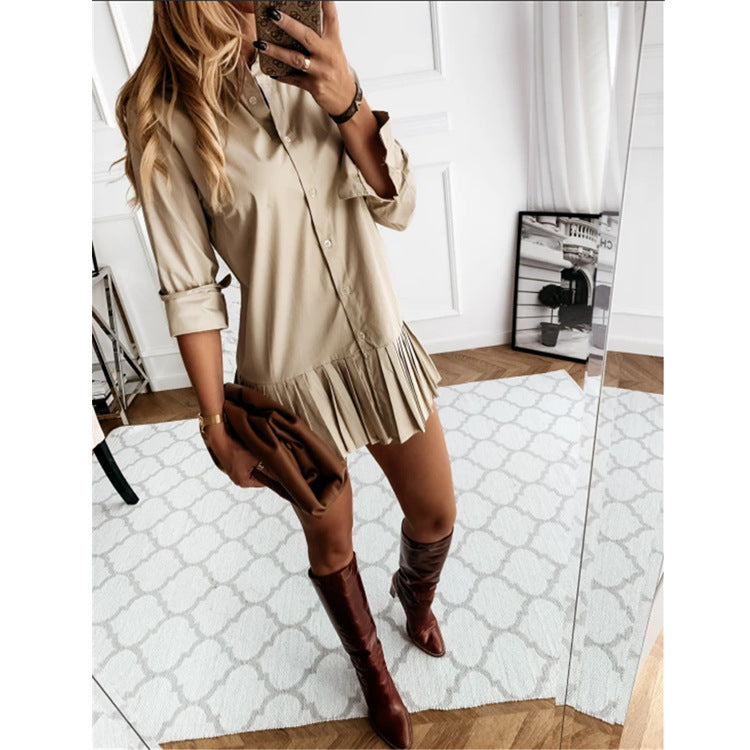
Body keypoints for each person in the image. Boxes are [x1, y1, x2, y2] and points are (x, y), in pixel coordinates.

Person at [114, 3, 457, 748]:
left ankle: (414, 597)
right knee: (332, 546)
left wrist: (348, 101)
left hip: (377, 344)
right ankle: (373, 673)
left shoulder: (309, 48)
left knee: (436, 515)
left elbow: (397, 205)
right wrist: (215, 424)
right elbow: (190, 289)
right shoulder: (162, 115)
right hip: (290, 386)